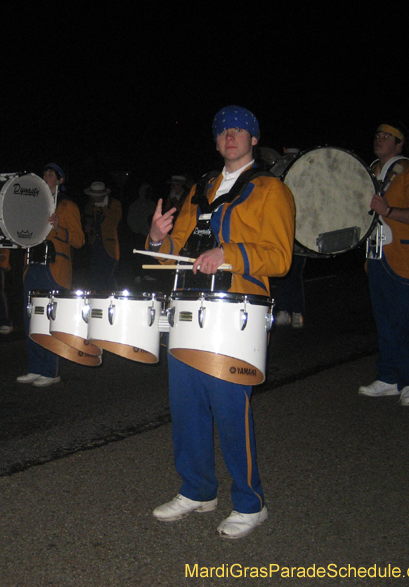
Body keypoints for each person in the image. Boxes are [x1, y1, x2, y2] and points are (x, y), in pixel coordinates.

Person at [148, 105, 295, 539]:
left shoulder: (271, 189)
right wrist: (157, 238)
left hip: (237, 311)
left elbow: (280, 257)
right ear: (216, 141)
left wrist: (229, 253)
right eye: (223, 131)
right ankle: (197, 490)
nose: (231, 136)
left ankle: (250, 503)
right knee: (186, 405)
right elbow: (174, 252)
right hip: (189, 308)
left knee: (230, 409)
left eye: (240, 130)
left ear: (254, 139)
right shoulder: (201, 189)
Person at [359, 122, 409, 407]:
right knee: (384, 322)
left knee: (403, 323)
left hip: (407, 258)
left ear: (399, 144)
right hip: (376, 256)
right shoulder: (369, 172)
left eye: (386, 136)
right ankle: (388, 378)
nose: (379, 139)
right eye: (377, 135)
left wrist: (389, 210)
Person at [16, 163, 84, 387]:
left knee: (49, 320)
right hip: (33, 266)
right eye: (44, 173)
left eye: (51, 174)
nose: (46, 176)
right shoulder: (34, 203)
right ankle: (35, 368)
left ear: (61, 180)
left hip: (53, 269)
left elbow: (79, 240)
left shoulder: (67, 206)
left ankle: (51, 371)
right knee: (31, 319)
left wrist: (58, 228)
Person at [83, 181, 121, 291]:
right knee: (95, 276)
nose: (93, 198)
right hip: (96, 244)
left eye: (95, 195)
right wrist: (89, 229)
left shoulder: (114, 204)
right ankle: (97, 298)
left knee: (110, 275)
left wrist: (102, 209)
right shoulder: (90, 205)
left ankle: (112, 298)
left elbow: (116, 219)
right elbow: (90, 220)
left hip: (109, 246)